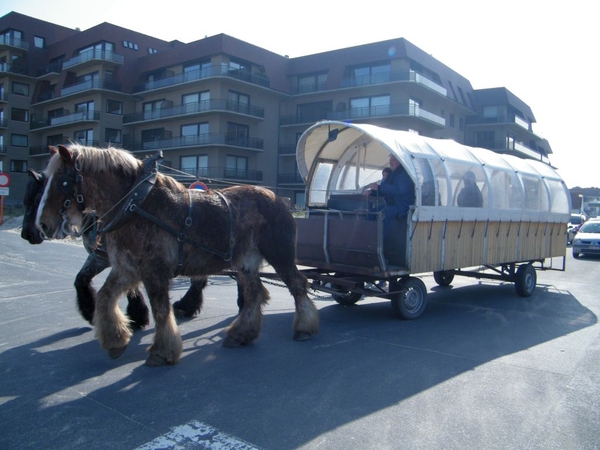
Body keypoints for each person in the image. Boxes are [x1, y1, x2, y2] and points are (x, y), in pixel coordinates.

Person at [363, 155, 414, 237]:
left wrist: (379, 187)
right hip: (392, 203)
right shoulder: (392, 174)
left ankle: (382, 242)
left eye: (393, 160)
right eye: (390, 160)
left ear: (400, 161)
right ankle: (369, 238)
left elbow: (399, 190)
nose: (390, 162)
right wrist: (371, 192)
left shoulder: (404, 174)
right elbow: (384, 189)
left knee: (384, 213)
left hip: (402, 205)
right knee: (371, 212)